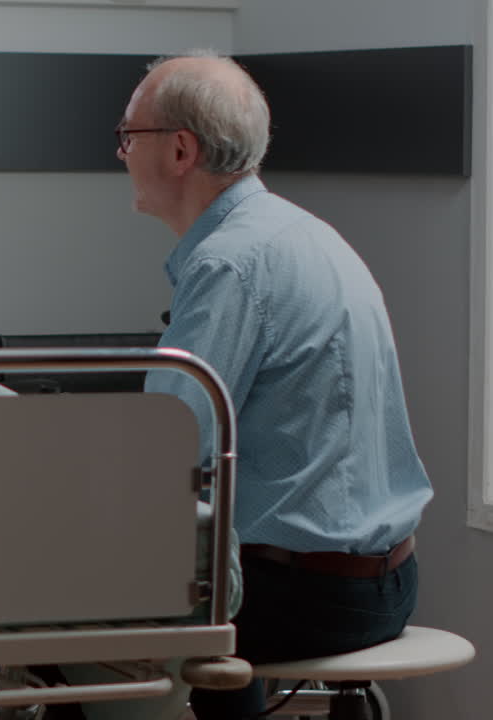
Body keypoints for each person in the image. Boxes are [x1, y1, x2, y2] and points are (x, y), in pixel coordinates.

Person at [120, 51, 433, 718]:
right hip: (391, 582)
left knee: (65, 612)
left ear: (180, 150)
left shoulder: (230, 262)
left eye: (129, 137)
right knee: (204, 570)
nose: (120, 154)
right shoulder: (306, 234)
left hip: (309, 598)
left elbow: (159, 453)